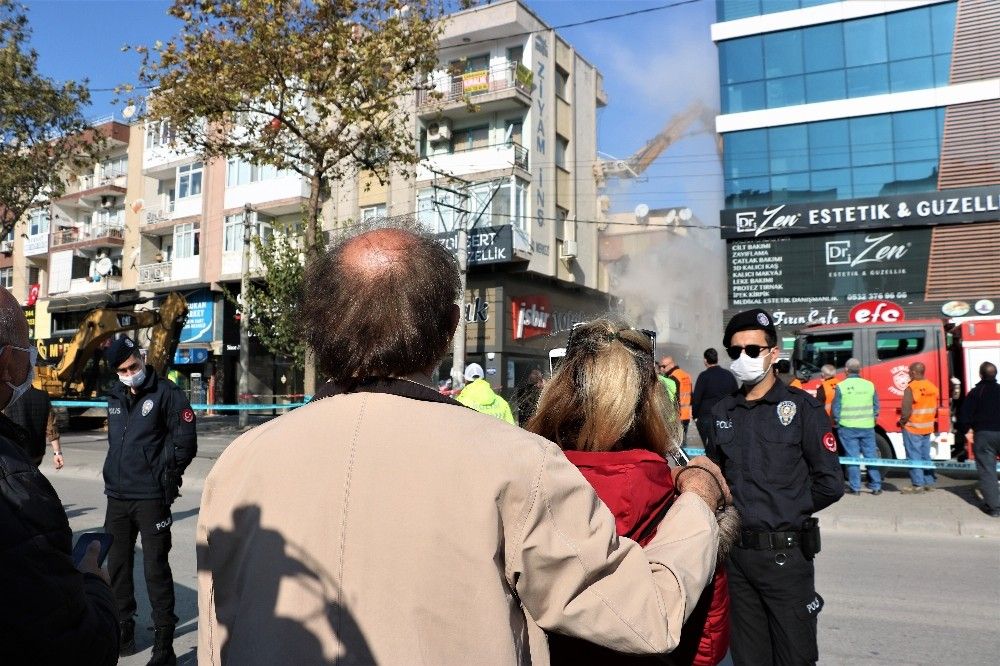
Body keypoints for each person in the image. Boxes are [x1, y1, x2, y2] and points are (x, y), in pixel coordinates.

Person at [197, 220, 726, 665]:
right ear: (451, 327)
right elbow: (643, 615)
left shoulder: (240, 461)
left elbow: (215, 636)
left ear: (316, 329)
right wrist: (699, 501)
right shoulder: (517, 462)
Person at [527, 318, 738, 666]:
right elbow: (708, 645)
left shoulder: (520, 487)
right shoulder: (687, 507)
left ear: (557, 393)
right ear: (652, 404)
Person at [707, 308, 843, 666]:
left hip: (786, 558)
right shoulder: (722, 412)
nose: (744, 357)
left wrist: (785, 508)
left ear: (773, 353)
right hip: (736, 559)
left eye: (753, 350)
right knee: (747, 659)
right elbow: (716, 478)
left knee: (794, 658)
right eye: (736, 351)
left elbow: (830, 484)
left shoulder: (803, 409)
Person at [0, 286, 119, 664]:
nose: (32, 362)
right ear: (7, 361)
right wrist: (93, 583)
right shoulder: (20, 497)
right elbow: (79, 647)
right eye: (28, 351)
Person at [103, 337, 198, 664]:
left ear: (141, 358)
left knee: (155, 568)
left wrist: (166, 476)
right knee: (117, 565)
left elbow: (186, 442)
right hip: (117, 496)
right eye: (123, 370)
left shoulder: (167, 394)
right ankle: (124, 628)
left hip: (151, 497)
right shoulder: (114, 396)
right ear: (116, 373)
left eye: (134, 365)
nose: (131, 373)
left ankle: (163, 643)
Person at [832, 358, 882, 496]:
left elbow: (836, 408)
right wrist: (872, 418)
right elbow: (876, 406)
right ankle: (876, 486)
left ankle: (856, 488)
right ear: (859, 370)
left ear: (846, 370)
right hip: (867, 426)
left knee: (852, 457)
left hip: (847, 427)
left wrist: (837, 421)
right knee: (871, 456)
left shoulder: (841, 386)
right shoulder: (869, 385)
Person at [957, 362, 1000, 517]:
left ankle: (995, 508)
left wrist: (966, 430)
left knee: (988, 471)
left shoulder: (976, 392)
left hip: (984, 435)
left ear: (981, 375)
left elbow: (964, 415)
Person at [897, 362, 939, 493]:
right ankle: (929, 483)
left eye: (909, 371)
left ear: (914, 372)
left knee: (913, 456)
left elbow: (906, 410)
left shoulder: (911, 387)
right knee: (925, 455)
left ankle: (917, 485)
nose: (909, 373)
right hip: (927, 427)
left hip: (913, 427)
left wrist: (902, 422)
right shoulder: (932, 387)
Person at [3, 382, 62, 467]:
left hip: (12, 456)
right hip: (36, 455)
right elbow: (51, 427)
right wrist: (57, 453)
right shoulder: (43, 396)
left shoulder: (6, 397)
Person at [692, 348, 738, 446]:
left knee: (708, 447)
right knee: (724, 445)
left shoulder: (704, 376)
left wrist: (694, 415)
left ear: (705, 360)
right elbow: (736, 396)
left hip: (706, 417)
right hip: (725, 417)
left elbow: (696, 399)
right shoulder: (728, 375)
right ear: (717, 359)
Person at [660, 356, 693, 436]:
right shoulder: (686, 375)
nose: (661, 369)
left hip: (676, 417)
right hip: (686, 415)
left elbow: (673, 398)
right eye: (660, 366)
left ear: (671, 365)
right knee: (683, 440)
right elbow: (691, 396)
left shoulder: (672, 378)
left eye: (664, 366)